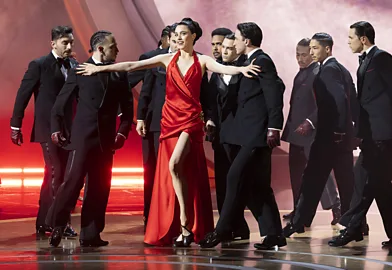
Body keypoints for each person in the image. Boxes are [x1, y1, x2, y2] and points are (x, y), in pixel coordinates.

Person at [76, 17, 260, 247]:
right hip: (169, 121)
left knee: (174, 165)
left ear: (193, 36)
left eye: (184, 34)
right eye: (177, 34)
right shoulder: (166, 58)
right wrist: (100, 68)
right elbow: (132, 66)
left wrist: (243, 69)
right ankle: (181, 226)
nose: (179, 37)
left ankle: (185, 224)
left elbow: (223, 67)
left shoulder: (201, 60)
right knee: (177, 171)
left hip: (190, 121)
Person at [199, 22, 287, 250]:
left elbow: (274, 93)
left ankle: (221, 230)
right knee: (257, 187)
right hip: (245, 134)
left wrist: (274, 127)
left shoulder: (262, 61)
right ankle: (274, 234)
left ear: (246, 41)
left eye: (236, 38)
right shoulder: (247, 63)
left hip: (257, 135)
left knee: (234, 178)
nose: (233, 42)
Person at [330, 21, 392, 247]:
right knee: (379, 184)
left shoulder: (381, 58)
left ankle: (351, 227)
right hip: (370, 132)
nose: (348, 41)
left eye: (351, 37)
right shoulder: (366, 61)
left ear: (363, 39)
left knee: (367, 183)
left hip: (383, 132)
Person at [47, 30, 133, 247]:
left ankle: (91, 234)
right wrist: (57, 129)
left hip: (106, 141)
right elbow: (60, 104)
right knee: (73, 183)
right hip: (83, 138)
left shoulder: (119, 73)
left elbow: (128, 108)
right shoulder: (80, 71)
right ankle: (57, 225)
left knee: (100, 187)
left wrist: (122, 133)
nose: (118, 50)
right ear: (101, 48)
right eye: (114, 46)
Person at [282, 33, 355, 237]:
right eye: (308, 49)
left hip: (327, 136)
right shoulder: (336, 69)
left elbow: (339, 101)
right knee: (337, 180)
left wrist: (339, 130)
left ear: (327, 49)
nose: (310, 54)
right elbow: (351, 99)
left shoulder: (328, 70)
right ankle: (353, 223)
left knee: (316, 180)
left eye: (314, 49)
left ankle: (302, 221)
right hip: (334, 136)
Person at [10, 25, 77, 239]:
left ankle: (44, 222)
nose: (69, 46)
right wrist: (15, 125)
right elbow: (23, 94)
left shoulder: (75, 65)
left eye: (71, 42)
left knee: (58, 176)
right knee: (57, 173)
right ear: (53, 43)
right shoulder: (39, 65)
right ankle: (60, 223)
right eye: (65, 42)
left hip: (70, 128)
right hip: (47, 129)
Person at [128, 24, 176, 230]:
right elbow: (144, 89)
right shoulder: (154, 59)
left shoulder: (194, 58)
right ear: (167, 39)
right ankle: (152, 214)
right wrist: (139, 118)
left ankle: (175, 215)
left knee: (175, 169)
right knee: (153, 168)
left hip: (180, 123)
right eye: (175, 37)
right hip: (154, 122)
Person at [208, 33, 250, 241]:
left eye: (226, 47)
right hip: (220, 136)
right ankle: (229, 227)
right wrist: (209, 120)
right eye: (217, 46)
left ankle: (237, 227)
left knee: (239, 182)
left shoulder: (245, 69)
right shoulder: (215, 70)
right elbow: (210, 100)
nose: (221, 50)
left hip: (240, 136)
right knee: (223, 183)